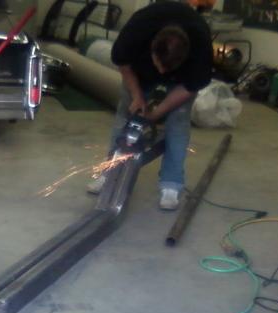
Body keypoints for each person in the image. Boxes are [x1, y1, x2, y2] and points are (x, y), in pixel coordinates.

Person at [88, 1, 213, 211]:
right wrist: (137, 96)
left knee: (179, 121)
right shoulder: (137, 31)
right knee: (125, 114)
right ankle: (110, 172)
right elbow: (123, 64)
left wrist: (157, 113)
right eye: (159, 65)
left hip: (180, 81)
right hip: (140, 72)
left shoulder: (200, 47)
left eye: (168, 68)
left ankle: (171, 184)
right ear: (152, 47)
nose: (162, 73)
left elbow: (190, 87)